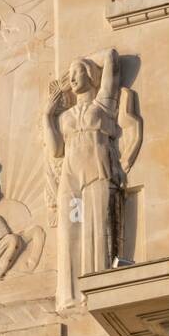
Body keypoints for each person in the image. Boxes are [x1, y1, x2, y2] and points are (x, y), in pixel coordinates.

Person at [43, 48, 125, 309]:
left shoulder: (103, 104)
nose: (73, 76)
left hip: (97, 168)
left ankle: (96, 291)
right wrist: (48, 115)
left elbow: (111, 58)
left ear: (91, 75)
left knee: (97, 227)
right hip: (70, 174)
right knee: (70, 232)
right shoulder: (65, 116)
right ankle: (70, 296)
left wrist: (84, 61)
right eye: (71, 73)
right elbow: (56, 150)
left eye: (78, 71)